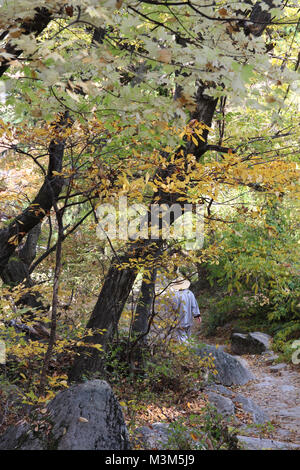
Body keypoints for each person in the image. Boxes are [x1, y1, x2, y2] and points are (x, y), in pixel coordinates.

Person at [171, 278, 201, 343]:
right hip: (189, 319)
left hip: (179, 320)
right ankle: (190, 349)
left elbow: (174, 308)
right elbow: (194, 305)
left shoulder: (175, 295)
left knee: (182, 337)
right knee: (189, 335)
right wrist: (197, 315)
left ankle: (186, 350)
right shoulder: (190, 293)